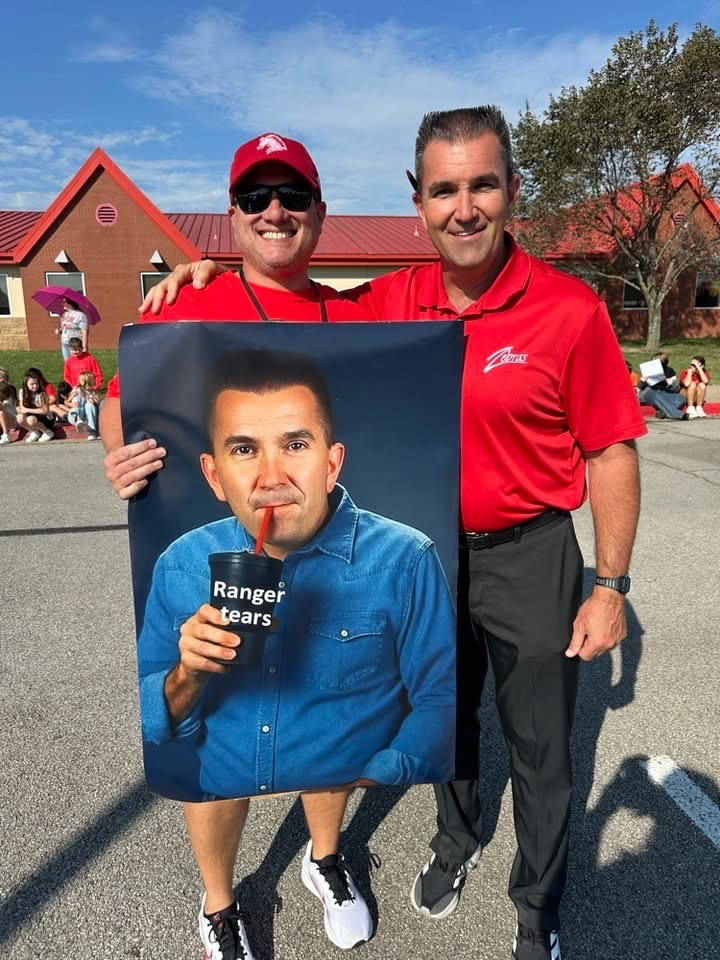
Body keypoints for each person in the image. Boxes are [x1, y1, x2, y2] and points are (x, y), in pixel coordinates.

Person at [150, 106, 646, 960]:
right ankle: (457, 841)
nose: (464, 207)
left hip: (529, 551)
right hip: (431, 554)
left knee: (541, 746)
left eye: (483, 185)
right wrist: (205, 276)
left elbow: (611, 448)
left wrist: (610, 585)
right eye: (445, 189)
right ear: (418, 201)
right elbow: (285, 307)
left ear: (512, 190)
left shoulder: (568, 308)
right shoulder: (389, 301)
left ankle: (537, 909)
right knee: (443, 717)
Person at [101, 134, 374, 960]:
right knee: (217, 723)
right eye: (256, 197)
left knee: (331, 706)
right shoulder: (186, 305)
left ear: (319, 211)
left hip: (326, 555)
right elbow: (121, 398)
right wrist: (117, 451)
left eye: (292, 195)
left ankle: (324, 858)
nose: (275, 211)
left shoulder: (356, 315)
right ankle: (219, 902)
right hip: (220, 551)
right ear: (232, 215)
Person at [139, 347, 455, 798]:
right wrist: (189, 673)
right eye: (244, 449)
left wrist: (374, 780)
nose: (272, 477)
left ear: (331, 464)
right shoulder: (181, 563)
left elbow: (441, 700)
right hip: (224, 800)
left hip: (348, 798)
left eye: (295, 445)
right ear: (214, 476)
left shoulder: (406, 558)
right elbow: (152, 719)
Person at [638, 352, 686, 420]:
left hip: (663, 392)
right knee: (656, 396)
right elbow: (640, 387)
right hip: (648, 392)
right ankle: (677, 414)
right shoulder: (648, 370)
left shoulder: (669, 371)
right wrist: (642, 381)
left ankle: (662, 413)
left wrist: (671, 383)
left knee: (680, 398)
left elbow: (676, 389)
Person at [17, 370, 56, 443]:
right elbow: (22, 408)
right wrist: (21, 409)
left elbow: (45, 411)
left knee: (30, 419)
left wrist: (27, 410)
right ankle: (34, 432)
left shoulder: (42, 394)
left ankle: (47, 432)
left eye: (36, 383)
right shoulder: (22, 392)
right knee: (19, 417)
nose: (35, 386)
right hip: (33, 416)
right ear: (26, 384)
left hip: (45, 418)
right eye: (32, 384)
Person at [68, 371, 101, 440]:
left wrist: (93, 400)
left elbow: (98, 402)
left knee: (89, 404)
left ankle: (92, 432)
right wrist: (74, 396)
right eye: (93, 378)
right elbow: (68, 401)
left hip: (89, 416)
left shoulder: (93, 392)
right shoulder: (77, 389)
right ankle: (78, 420)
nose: (95, 380)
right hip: (75, 415)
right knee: (77, 398)